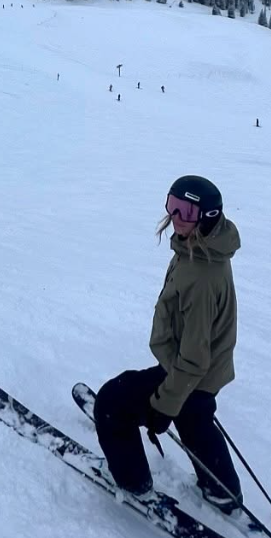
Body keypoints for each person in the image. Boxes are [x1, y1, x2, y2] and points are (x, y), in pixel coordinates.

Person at [94, 175, 243, 512]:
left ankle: (134, 485)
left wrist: (163, 405)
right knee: (195, 420)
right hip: (201, 372)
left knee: (112, 403)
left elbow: (192, 360)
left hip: (190, 371)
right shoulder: (204, 249)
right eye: (172, 206)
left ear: (207, 217)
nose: (176, 217)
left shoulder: (201, 276)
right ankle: (223, 492)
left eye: (186, 211)